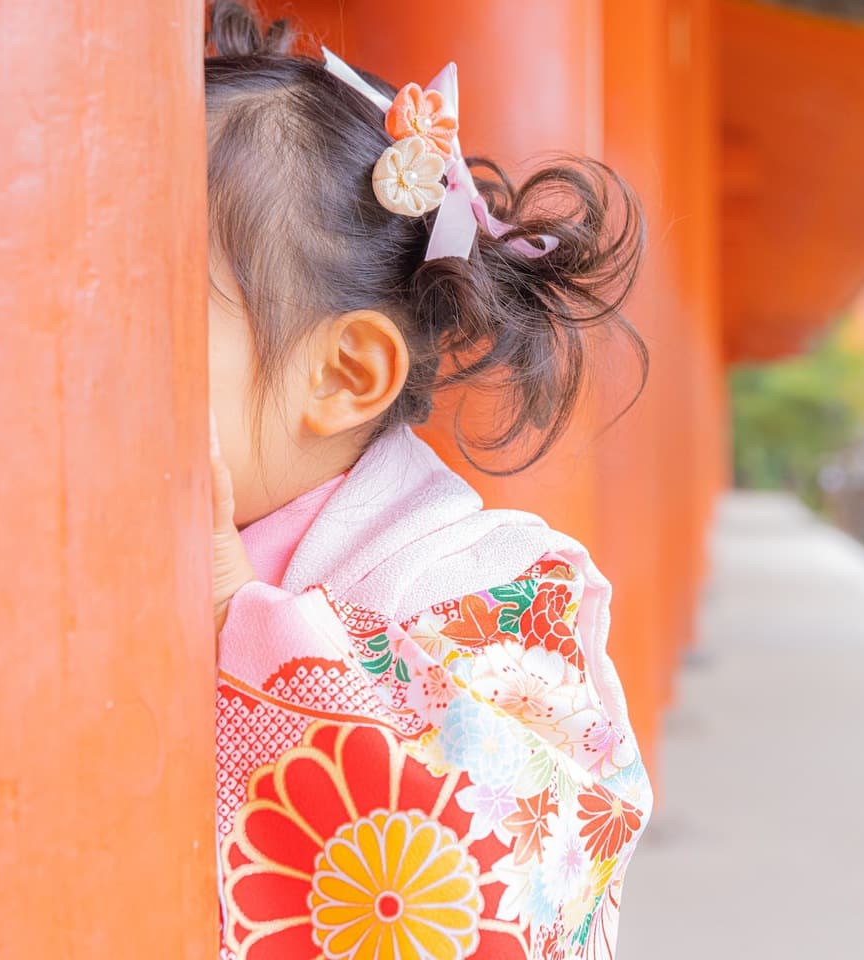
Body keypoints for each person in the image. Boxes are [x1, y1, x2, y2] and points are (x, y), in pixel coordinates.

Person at [204, 3, 651, 957]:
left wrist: (236, 615)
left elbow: (502, 881)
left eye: (141, 321)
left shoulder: (493, 596)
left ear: (341, 375)